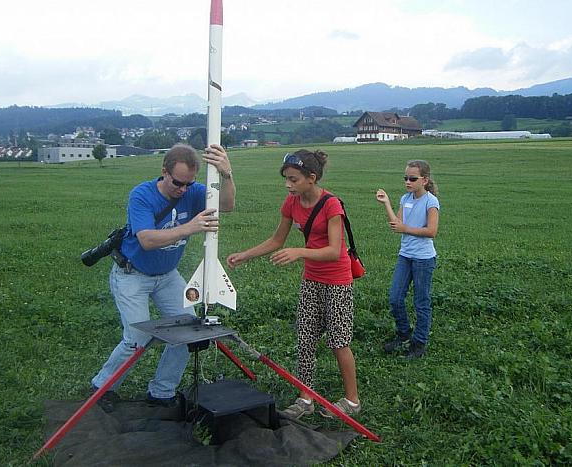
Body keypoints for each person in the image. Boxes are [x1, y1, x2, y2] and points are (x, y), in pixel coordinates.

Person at [91, 143, 235, 409]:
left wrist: (227, 174)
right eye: (178, 183)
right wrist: (189, 227)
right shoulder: (142, 195)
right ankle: (103, 387)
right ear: (164, 172)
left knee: (187, 331)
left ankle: (161, 392)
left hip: (167, 275)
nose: (183, 189)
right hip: (132, 274)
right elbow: (146, 240)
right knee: (137, 338)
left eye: (189, 184)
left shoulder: (192, 192)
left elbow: (225, 205)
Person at [227, 149, 361, 419]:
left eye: (293, 180)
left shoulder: (332, 205)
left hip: (337, 280)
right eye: (286, 179)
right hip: (311, 279)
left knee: (338, 341)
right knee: (305, 338)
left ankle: (352, 400)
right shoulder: (291, 203)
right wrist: (246, 255)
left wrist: (299, 252)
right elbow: (277, 240)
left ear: (311, 178)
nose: (288, 185)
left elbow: (335, 251)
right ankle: (305, 397)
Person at [375, 160, 439, 359]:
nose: (408, 182)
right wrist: (386, 203)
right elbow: (397, 225)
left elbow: (431, 231)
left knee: (421, 301)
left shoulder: (431, 202)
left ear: (425, 180)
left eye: (412, 178)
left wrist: (406, 229)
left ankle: (419, 343)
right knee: (395, 298)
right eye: (405, 178)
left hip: (423, 259)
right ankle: (404, 334)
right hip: (405, 255)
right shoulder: (405, 198)